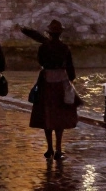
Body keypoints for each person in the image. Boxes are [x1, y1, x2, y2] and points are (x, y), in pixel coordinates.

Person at [24, 19, 78, 160]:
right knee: (59, 117)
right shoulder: (65, 48)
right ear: (60, 34)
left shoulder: (43, 47)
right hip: (60, 83)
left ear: (49, 33)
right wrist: (70, 80)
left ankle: (49, 149)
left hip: (46, 83)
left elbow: (40, 62)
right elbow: (70, 69)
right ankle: (59, 150)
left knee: (46, 115)